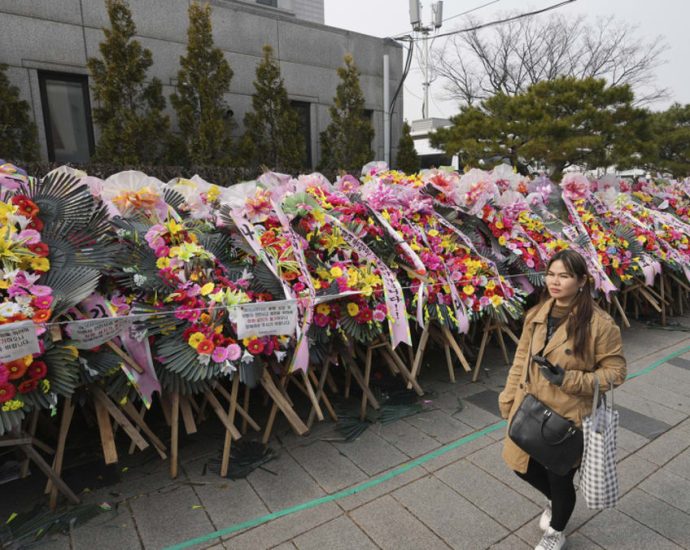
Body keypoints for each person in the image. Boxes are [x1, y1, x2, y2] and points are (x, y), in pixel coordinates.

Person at [498, 249, 626, 550]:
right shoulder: (537, 314)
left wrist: (568, 379)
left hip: (568, 414)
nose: (555, 282)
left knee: (560, 478)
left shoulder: (599, 324)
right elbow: (521, 360)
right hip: (529, 405)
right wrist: (507, 397)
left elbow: (616, 372)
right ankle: (554, 502)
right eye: (551, 274)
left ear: (581, 280)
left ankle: (556, 531)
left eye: (564, 276)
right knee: (520, 464)